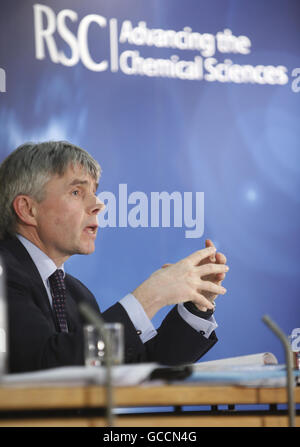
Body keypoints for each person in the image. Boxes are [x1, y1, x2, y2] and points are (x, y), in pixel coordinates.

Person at [0, 141, 229, 373]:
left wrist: (196, 308)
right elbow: (45, 366)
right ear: (28, 209)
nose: (98, 204)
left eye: (95, 192)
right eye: (77, 192)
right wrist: (152, 295)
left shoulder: (76, 294)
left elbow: (132, 368)